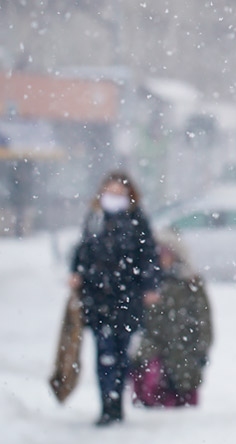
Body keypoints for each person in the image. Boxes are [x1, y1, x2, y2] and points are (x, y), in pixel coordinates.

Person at [69, 171, 160, 426]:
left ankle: (116, 402)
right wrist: (76, 272)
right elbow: (82, 250)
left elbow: (148, 255)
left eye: (120, 194)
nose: (114, 198)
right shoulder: (95, 219)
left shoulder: (137, 220)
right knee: (103, 351)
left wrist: (150, 285)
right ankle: (107, 405)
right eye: (111, 192)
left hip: (127, 298)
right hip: (98, 298)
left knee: (121, 354)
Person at [132, 232, 213, 407]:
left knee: (183, 389)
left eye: (166, 251)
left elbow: (203, 317)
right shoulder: (146, 281)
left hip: (184, 346)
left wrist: (202, 346)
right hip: (154, 343)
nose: (162, 256)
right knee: (150, 382)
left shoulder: (190, 282)